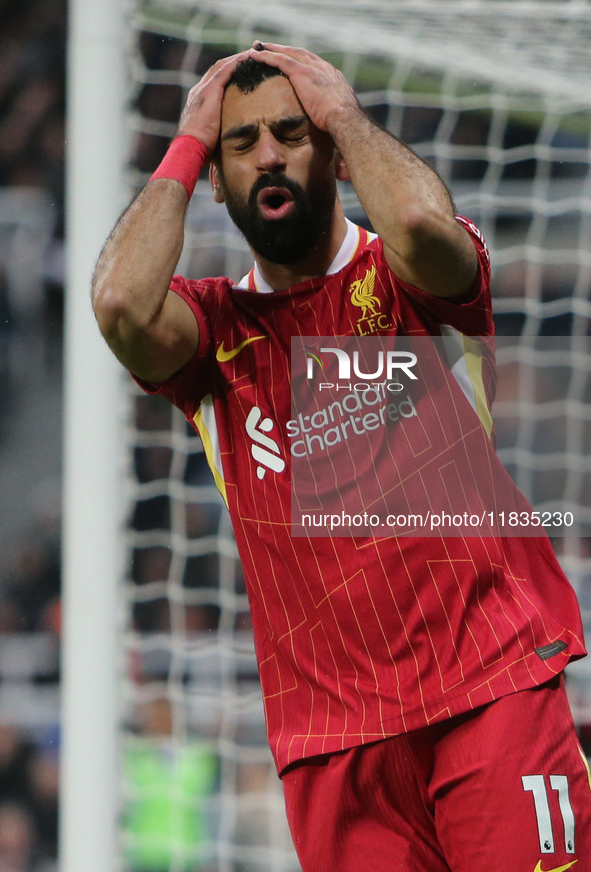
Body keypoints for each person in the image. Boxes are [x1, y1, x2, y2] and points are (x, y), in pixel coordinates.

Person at [92, 43, 591, 872]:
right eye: (242, 144)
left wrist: (345, 115)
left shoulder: (408, 280)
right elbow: (117, 303)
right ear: (216, 179)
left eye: (291, 132)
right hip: (333, 745)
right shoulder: (212, 333)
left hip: (487, 687)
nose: (269, 155)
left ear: (331, 150)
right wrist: (187, 141)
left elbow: (426, 224)